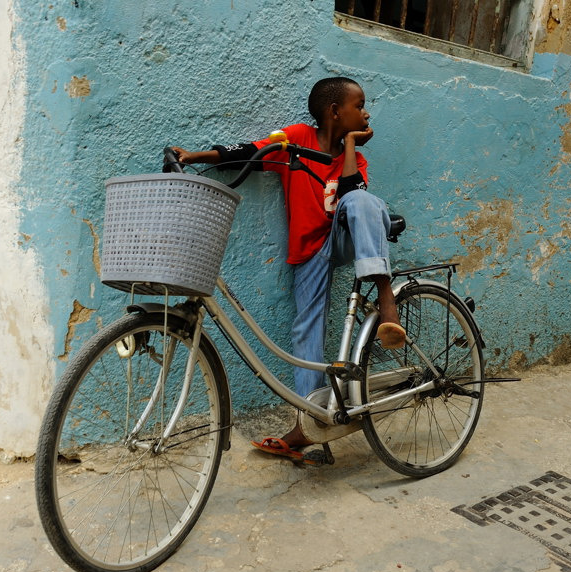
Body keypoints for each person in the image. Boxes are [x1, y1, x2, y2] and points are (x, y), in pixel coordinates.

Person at [172, 77, 404, 463]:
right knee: (305, 330)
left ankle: (385, 298)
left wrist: (348, 146)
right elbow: (252, 150)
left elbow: (349, 195)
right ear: (335, 111)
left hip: (345, 238)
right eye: (358, 105)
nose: (365, 113)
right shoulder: (296, 138)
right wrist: (194, 157)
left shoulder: (357, 159)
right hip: (310, 249)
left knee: (363, 203)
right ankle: (312, 428)